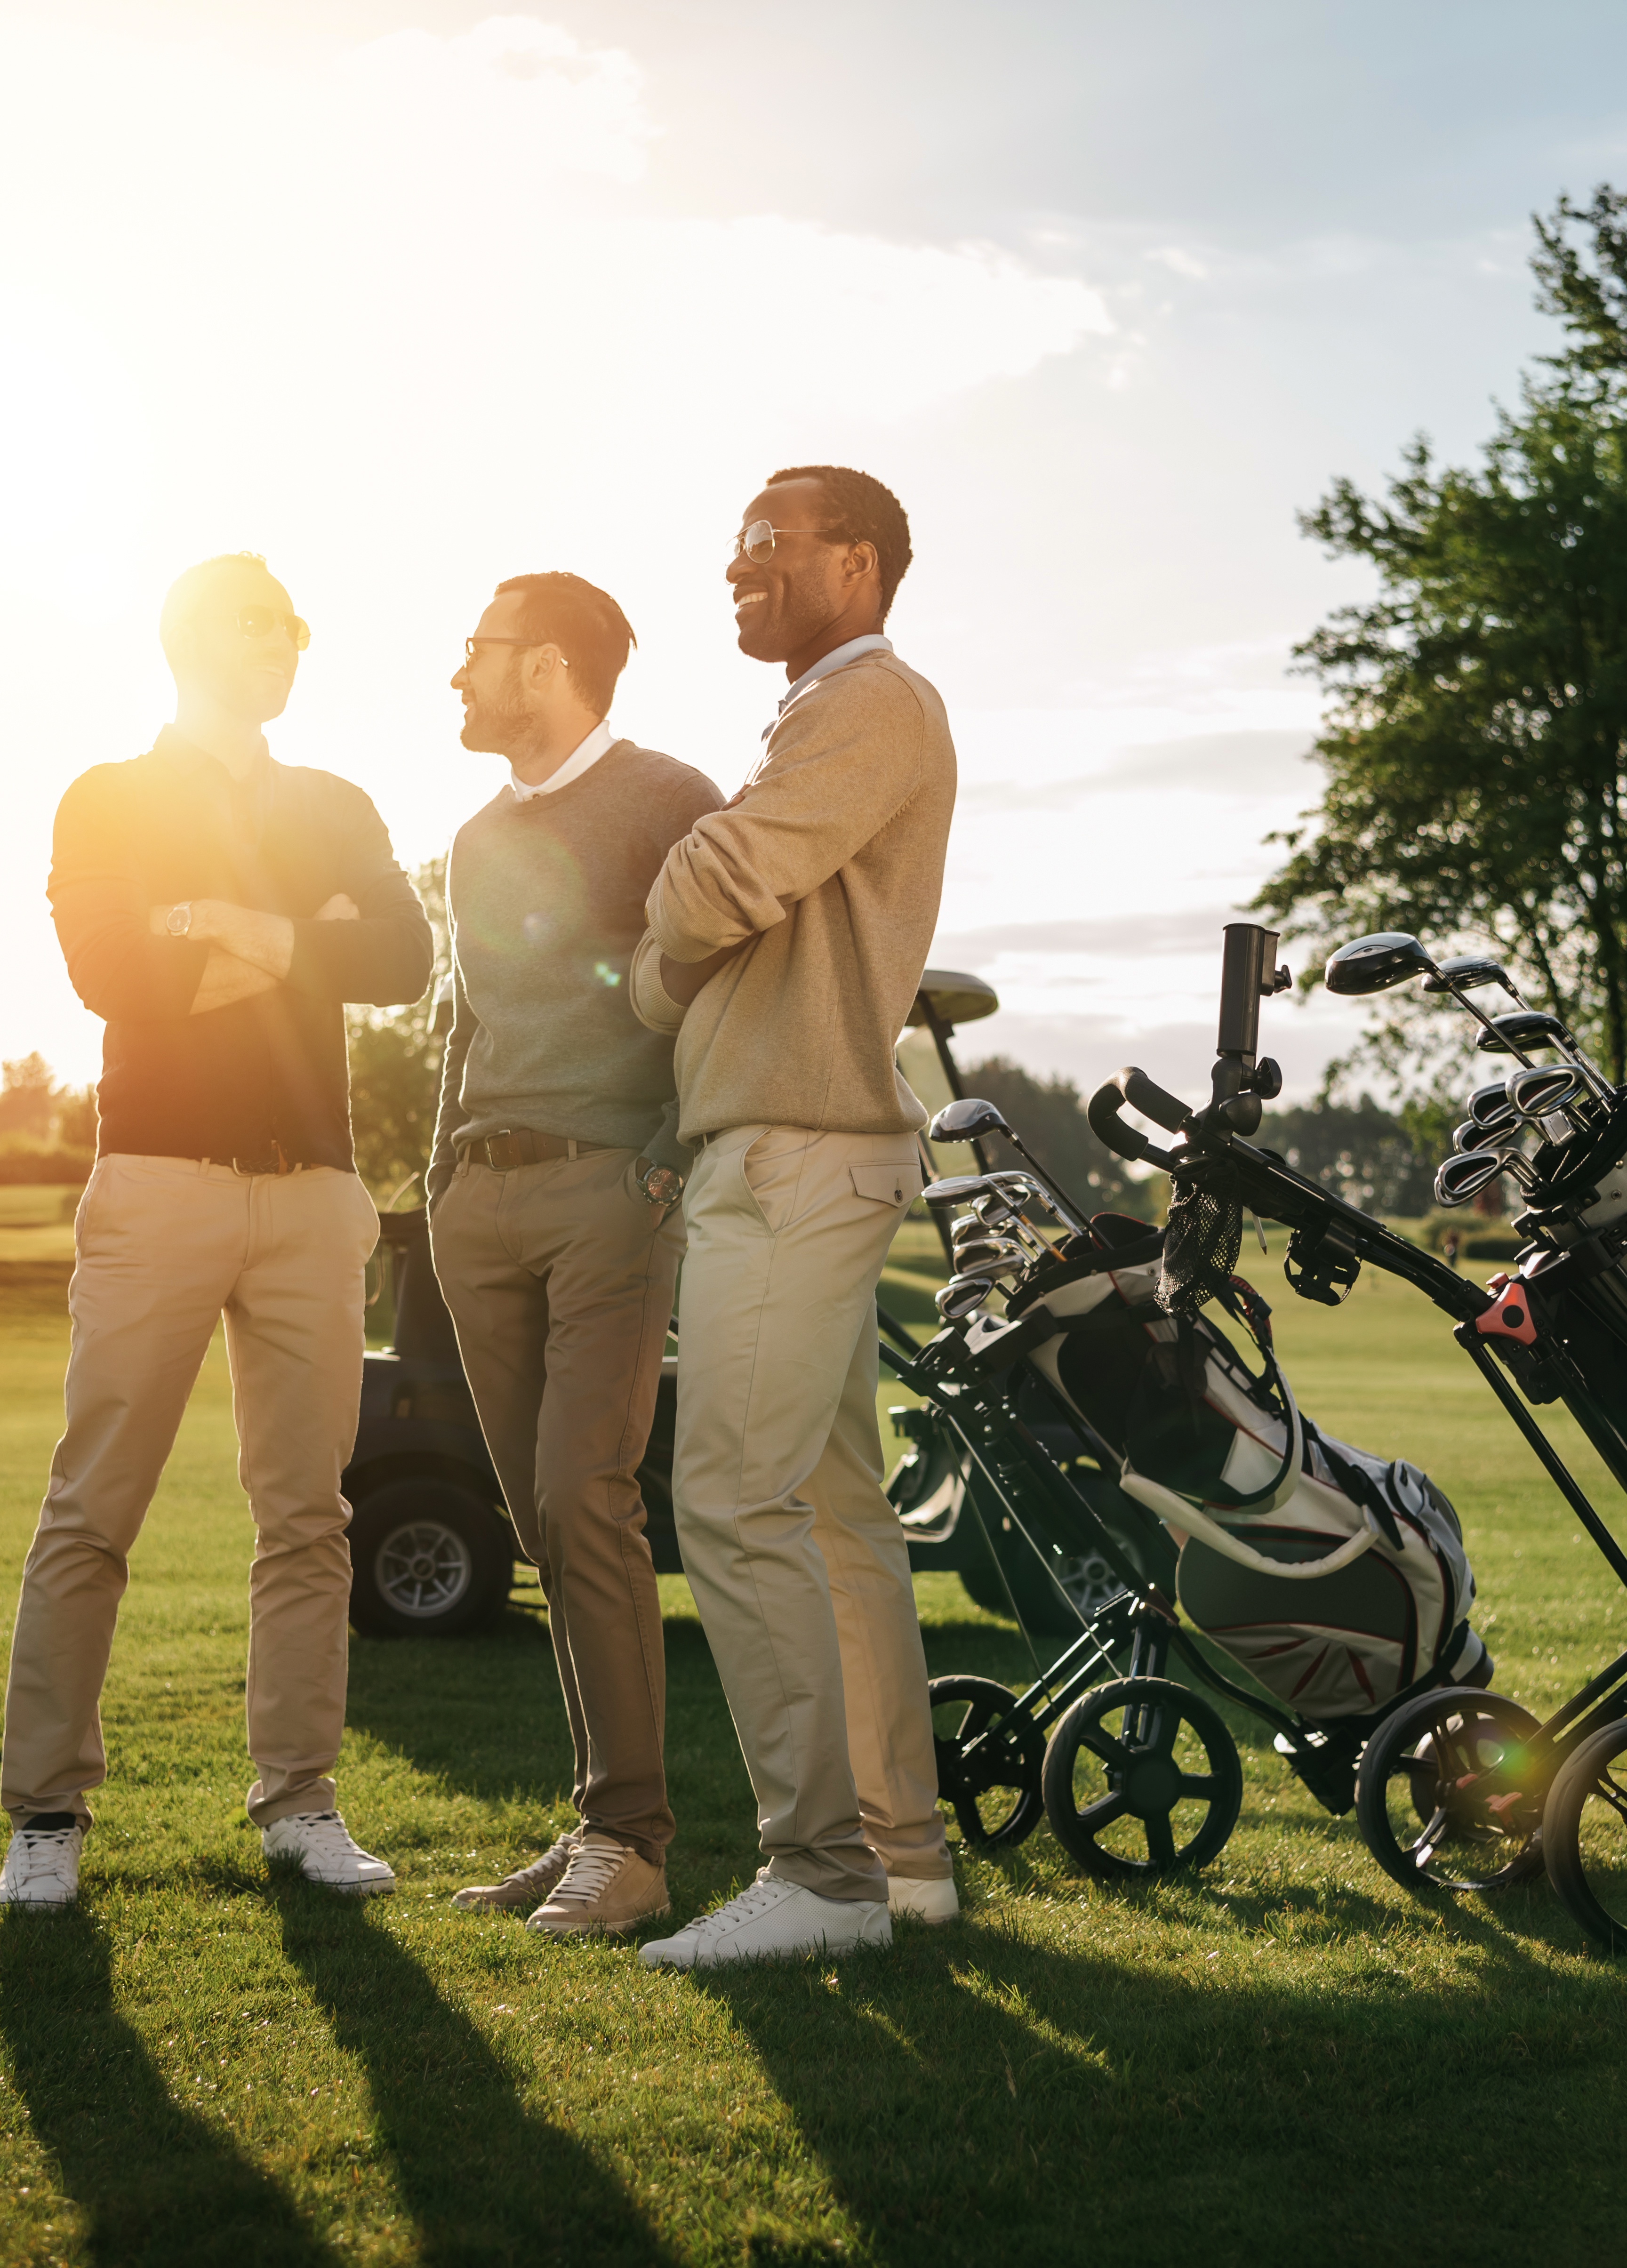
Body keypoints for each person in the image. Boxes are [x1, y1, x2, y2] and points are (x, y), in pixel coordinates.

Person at [0, 553, 433, 1910]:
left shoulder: (336, 802)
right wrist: (307, 936)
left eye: (297, 628)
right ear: (190, 638)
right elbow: (112, 975)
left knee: (308, 1518)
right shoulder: (108, 798)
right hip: (158, 1182)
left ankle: (299, 1803)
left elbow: (405, 960)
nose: (288, 646)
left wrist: (232, 925)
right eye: (262, 626)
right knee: (94, 1505)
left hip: (312, 1191)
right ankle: (46, 1815)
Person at [628, 466, 958, 1971]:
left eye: (767, 543)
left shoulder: (867, 701)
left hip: (794, 1161)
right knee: (833, 1520)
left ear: (859, 561)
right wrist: (696, 905)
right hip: (799, 1154)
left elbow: (720, 882)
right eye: (735, 546)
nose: (736, 569)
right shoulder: (824, 714)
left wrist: (660, 920)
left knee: (730, 1505)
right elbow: (732, 890)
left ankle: (816, 1873)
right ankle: (901, 1864)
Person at [424, 572, 724, 1940]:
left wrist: (666, 1146)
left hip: (611, 1186)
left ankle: (635, 1843)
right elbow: (467, 1021)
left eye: (476, 654)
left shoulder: (669, 799)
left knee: (583, 1494)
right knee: (541, 1521)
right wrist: (438, 1171)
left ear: (545, 666)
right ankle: (594, 1817)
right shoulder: (478, 837)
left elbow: (728, 972)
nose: (457, 678)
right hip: (477, 1201)